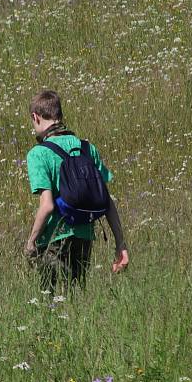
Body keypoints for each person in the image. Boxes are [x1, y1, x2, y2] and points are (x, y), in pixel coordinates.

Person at [23, 90, 129, 291]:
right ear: (60, 115)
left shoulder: (38, 154)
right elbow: (106, 201)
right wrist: (120, 243)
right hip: (84, 235)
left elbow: (47, 206)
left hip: (53, 239)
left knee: (51, 300)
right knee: (76, 295)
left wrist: (31, 242)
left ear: (35, 117)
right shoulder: (87, 148)